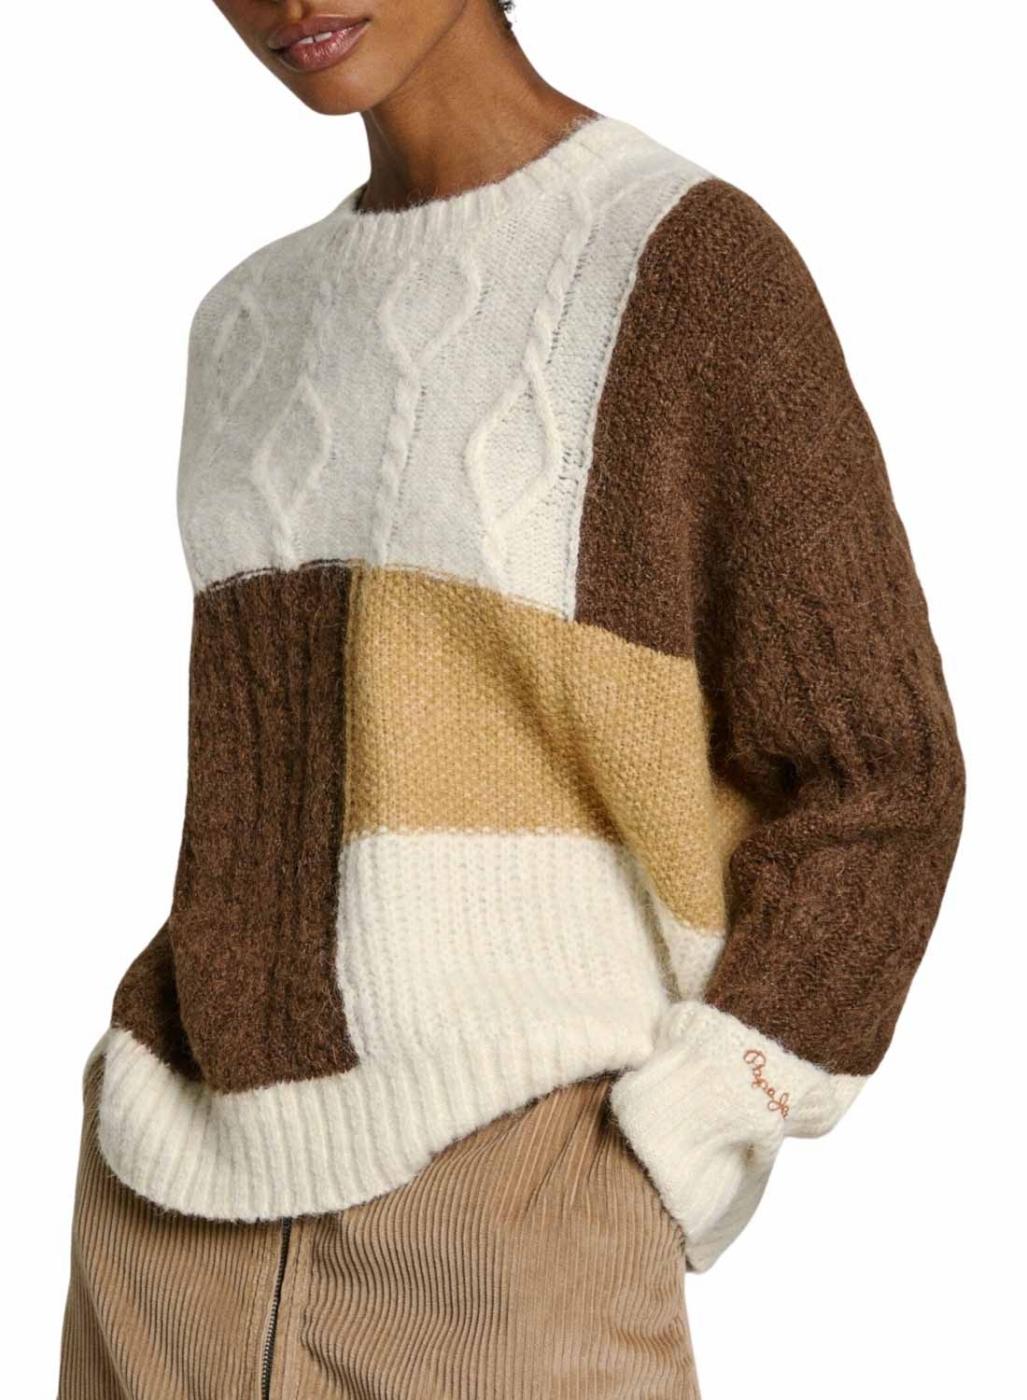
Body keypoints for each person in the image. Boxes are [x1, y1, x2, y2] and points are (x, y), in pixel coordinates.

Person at [58, 1, 967, 1396]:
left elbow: (882, 773)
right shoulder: (244, 323)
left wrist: (690, 1126)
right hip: (163, 1213)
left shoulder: (679, 265)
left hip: (514, 1213)